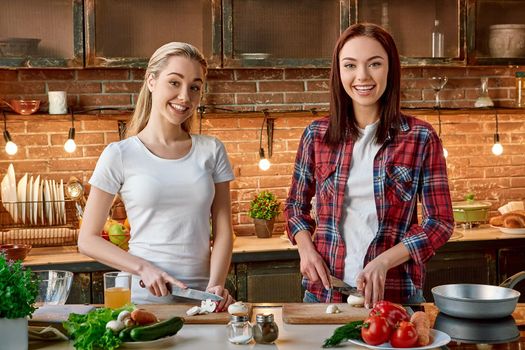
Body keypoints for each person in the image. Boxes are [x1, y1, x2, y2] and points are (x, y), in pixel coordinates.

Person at [284, 23, 454, 308]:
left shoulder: (420, 137)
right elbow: (294, 207)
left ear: (390, 69)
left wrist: (384, 261)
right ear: (338, 72)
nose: (361, 76)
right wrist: (306, 248)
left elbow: (440, 223)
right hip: (325, 293)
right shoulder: (316, 135)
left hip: (396, 293)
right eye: (350, 65)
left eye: (374, 64)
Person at [78, 42, 235, 310]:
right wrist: (143, 269)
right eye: (174, 83)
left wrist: (216, 285)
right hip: (144, 301)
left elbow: (224, 232)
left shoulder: (212, 150)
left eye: (194, 87)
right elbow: (87, 240)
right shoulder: (120, 154)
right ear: (151, 81)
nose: (184, 96)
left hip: (203, 300)